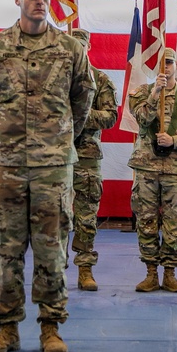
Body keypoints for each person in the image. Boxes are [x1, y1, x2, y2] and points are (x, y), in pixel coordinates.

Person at [0, 0, 94, 352]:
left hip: (53, 165)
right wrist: (5, 138)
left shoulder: (71, 49)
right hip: (5, 165)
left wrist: (56, 139)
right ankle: (6, 329)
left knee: (52, 249)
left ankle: (51, 327)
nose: (39, 1)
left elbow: (82, 103)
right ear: (18, 0)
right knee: (5, 248)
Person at [128, 47, 177, 293]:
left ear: (176, 65)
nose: (165, 67)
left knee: (173, 221)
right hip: (146, 167)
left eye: (169, 63)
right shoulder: (142, 93)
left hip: (175, 168)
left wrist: (175, 141)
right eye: (161, 63)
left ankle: (169, 273)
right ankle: (149, 273)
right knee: (145, 220)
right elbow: (142, 119)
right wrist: (155, 92)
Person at [68, 29, 118, 292]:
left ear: (88, 47)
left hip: (86, 156)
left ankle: (85, 269)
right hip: (55, 155)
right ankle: (52, 267)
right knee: (52, 216)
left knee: (86, 216)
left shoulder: (100, 80)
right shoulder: (54, 79)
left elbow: (110, 117)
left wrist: (77, 117)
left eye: (81, 45)